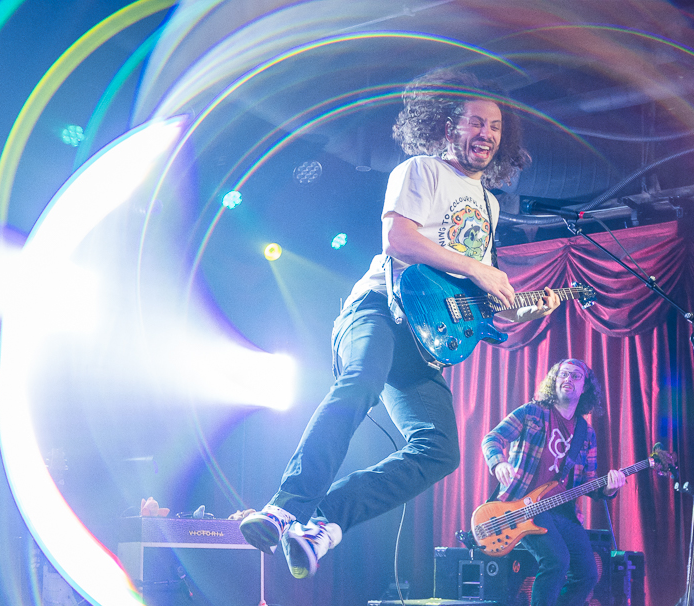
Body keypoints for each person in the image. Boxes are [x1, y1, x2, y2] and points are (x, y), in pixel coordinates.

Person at [240, 68, 560, 579]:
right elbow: (400, 241)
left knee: (440, 451)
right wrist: (479, 266)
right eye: (475, 122)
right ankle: (285, 508)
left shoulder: (490, 205)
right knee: (361, 382)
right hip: (378, 309)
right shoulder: (422, 171)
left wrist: (517, 307)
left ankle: (326, 523)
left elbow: (468, 298)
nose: (486, 134)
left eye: (496, 127)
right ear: (448, 126)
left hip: (424, 341)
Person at [481, 359, 628, 606]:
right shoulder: (532, 413)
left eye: (576, 376)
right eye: (563, 374)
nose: (568, 379)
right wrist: (498, 463)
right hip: (522, 505)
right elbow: (492, 439)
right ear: (554, 381)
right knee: (556, 559)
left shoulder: (585, 433)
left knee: (588, 573)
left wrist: (610, 487)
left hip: (560, 508)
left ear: (585, 387)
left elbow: (588, 482)